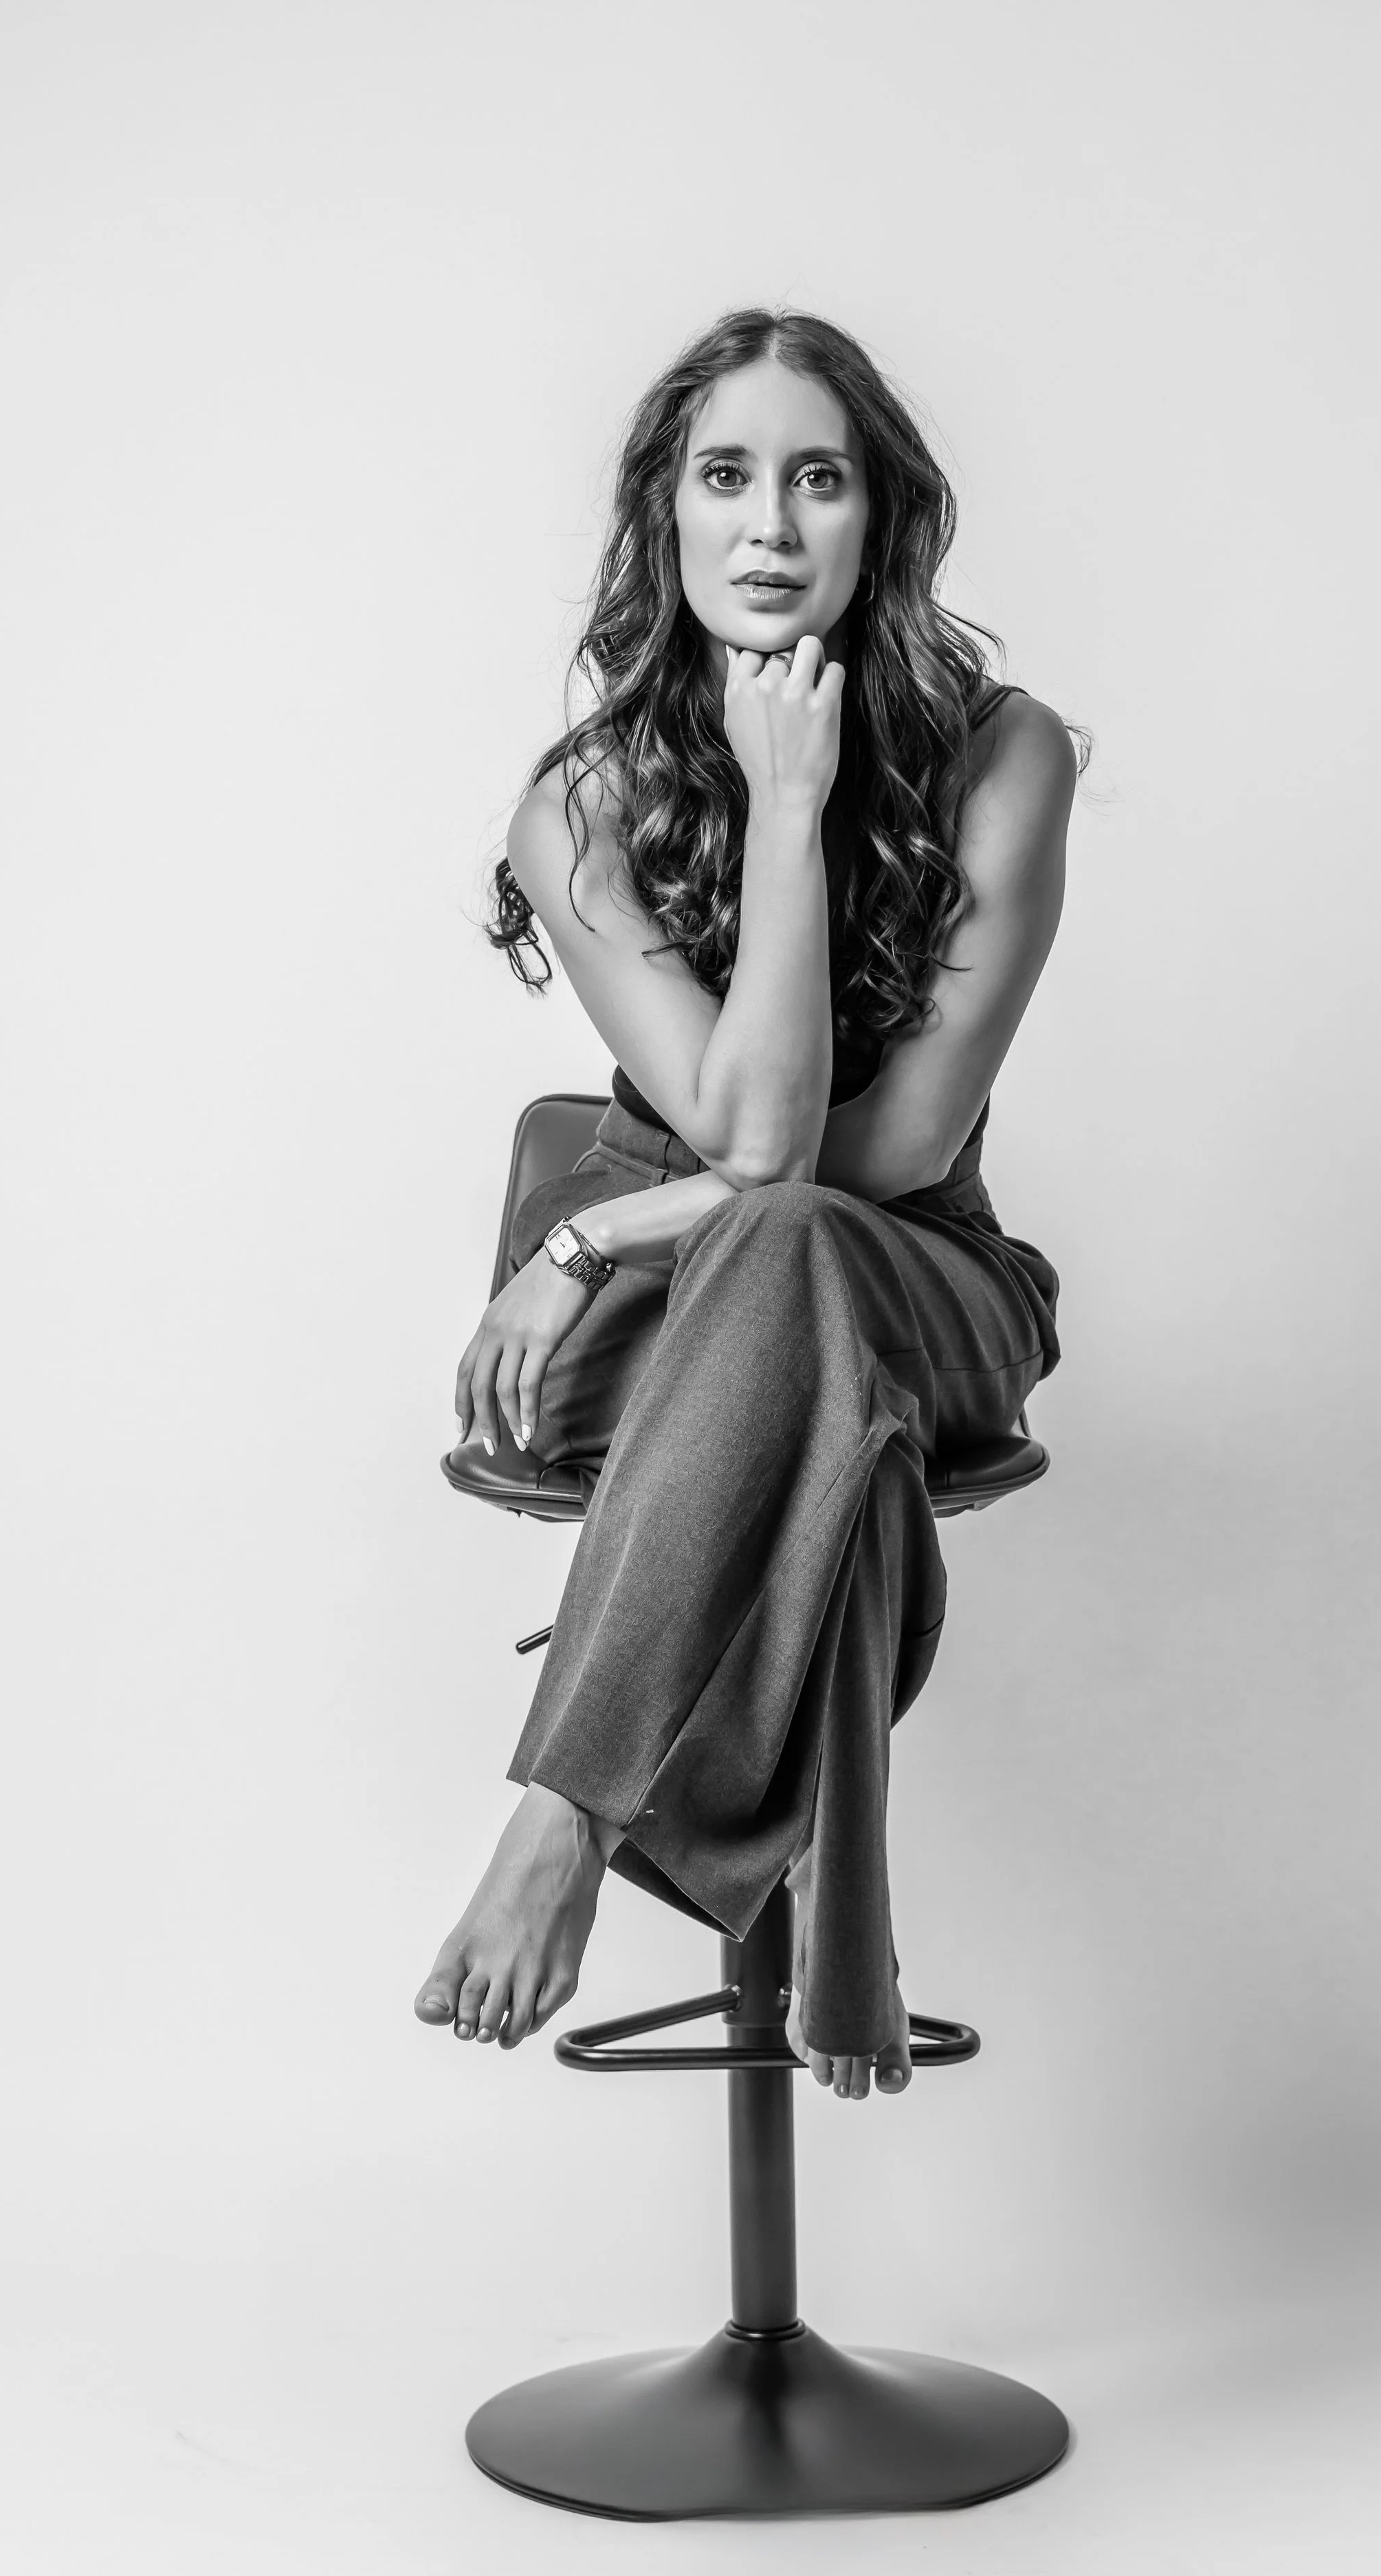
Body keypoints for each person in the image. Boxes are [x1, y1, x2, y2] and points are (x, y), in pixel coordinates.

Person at [415, 307, 1085, 2104]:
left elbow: (872, 1158)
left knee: (800, 1260)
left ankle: (562, 1814)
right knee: (810, 1391)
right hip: (689, 1315)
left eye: (818, 480)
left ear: (882, 517)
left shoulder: (1007, 756)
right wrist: (777, 813)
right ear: (669, 512)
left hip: (918, 1270)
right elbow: (759, 1136)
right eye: (727, 476)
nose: (771, 525)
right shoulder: (581, 807)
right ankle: (837, 1927)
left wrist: (597, 1232)